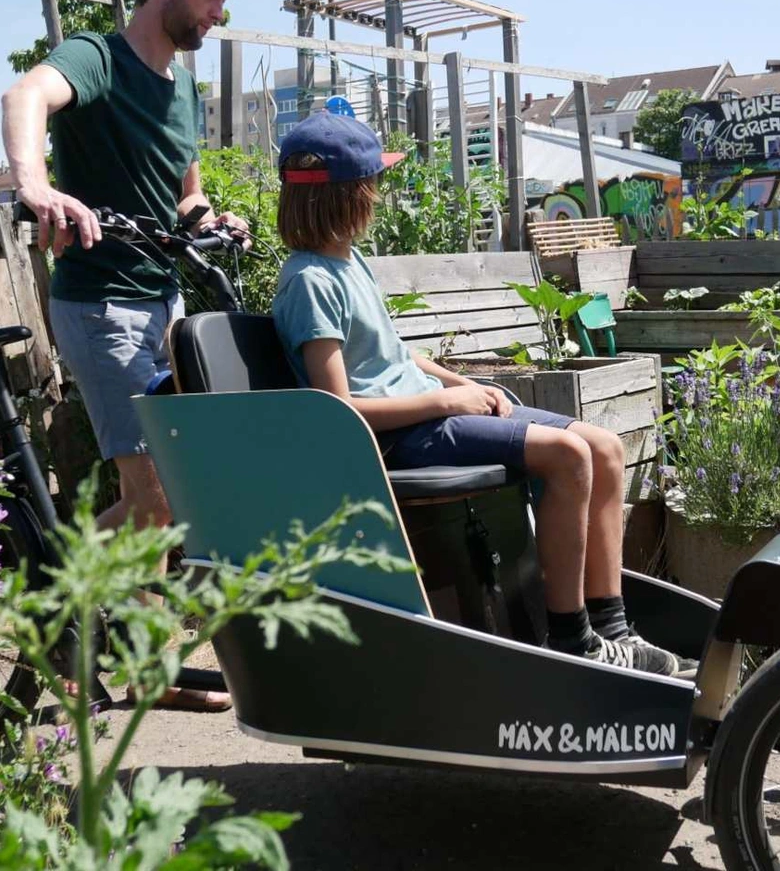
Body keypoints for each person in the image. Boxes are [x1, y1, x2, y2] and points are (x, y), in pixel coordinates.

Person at [271, 112, 698, 678]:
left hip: (429, 416)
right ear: (348, 196)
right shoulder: (309, 282)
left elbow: (396, 356)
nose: (379, 197)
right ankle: (573, 641)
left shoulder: (349, 262)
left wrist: (461, 383)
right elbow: (340, 411)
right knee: (568, 456)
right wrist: (448, 404)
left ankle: (613, 628)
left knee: (604, 447)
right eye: (373, 185)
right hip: (401, 438)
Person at [1, 0, 250, 710]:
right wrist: (34, 184)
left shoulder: (181, 82)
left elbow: (187, 184)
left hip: (163, 304)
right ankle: (121, 651)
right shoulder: (99, 58)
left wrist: (206, 216)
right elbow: (27, 92)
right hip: (101, 307)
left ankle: (64, 604)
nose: (219, 12)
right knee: (156, 498)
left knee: (170, 498)